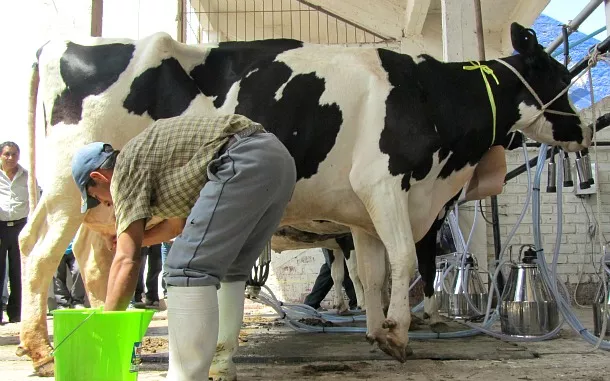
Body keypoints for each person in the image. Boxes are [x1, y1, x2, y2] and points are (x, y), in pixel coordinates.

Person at [71, 114, 296, 380]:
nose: (105, 204)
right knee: (230, 269)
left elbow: (126, 261)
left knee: (184, 269)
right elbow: (175, 228)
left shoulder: (124, 173)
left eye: (97, 198)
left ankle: (185, 376)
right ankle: (219, 366)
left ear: (99, 177)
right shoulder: (154, 157)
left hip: (241, 159)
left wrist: (106, 329)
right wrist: (135, 239)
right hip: (276, 160)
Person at [0, 141, 39, 324]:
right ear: (1, 155)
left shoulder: (27, 177)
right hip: (0, 226)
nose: (11, 158)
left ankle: (15, 313)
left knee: (19, 270)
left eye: (14, 154)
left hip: (20, 226)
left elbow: (37, 201)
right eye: (7, 154)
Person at [53, 240, 87, 309]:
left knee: (78, 271)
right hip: (56, 248)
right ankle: (62, 303)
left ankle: (77, 301)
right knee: (57, 276)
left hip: (74, 249)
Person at [133, 244, 162, 308]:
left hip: (157, 237)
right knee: (139, 267)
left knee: (156, 266)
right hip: (142, 237)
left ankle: (152, 296)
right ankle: (138, 296)